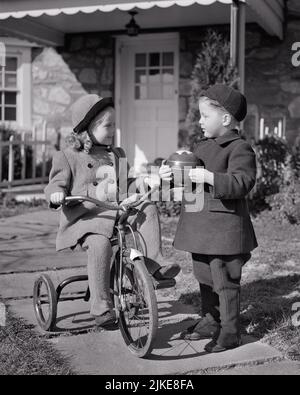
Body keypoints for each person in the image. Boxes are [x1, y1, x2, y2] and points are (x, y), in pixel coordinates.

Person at [44, 95, 180, 329]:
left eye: (114, 125)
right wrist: (56, 194)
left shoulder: (116, 155)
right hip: (85, 220)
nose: (113, 130)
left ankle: (154, 265)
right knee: (100, 245)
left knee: (147, 206)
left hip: (113, 212)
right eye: (107, 125)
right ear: (87, 129)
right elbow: (55, 183)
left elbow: (128, 183)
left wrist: (148, 181)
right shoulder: (68, 156)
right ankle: (101, 307)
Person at [167, 84, 258, 353]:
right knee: (204, 276)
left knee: (224, 280)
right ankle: (210, 321)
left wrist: (210, 178)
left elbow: (242, 182)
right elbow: (189, 181)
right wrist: (171, 176)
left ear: (226, 119)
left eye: (205, 116)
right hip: (200, 229)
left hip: (225, 230)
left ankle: (230, 331)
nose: (200, 121)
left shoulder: (239, 148)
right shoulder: (201, 147)